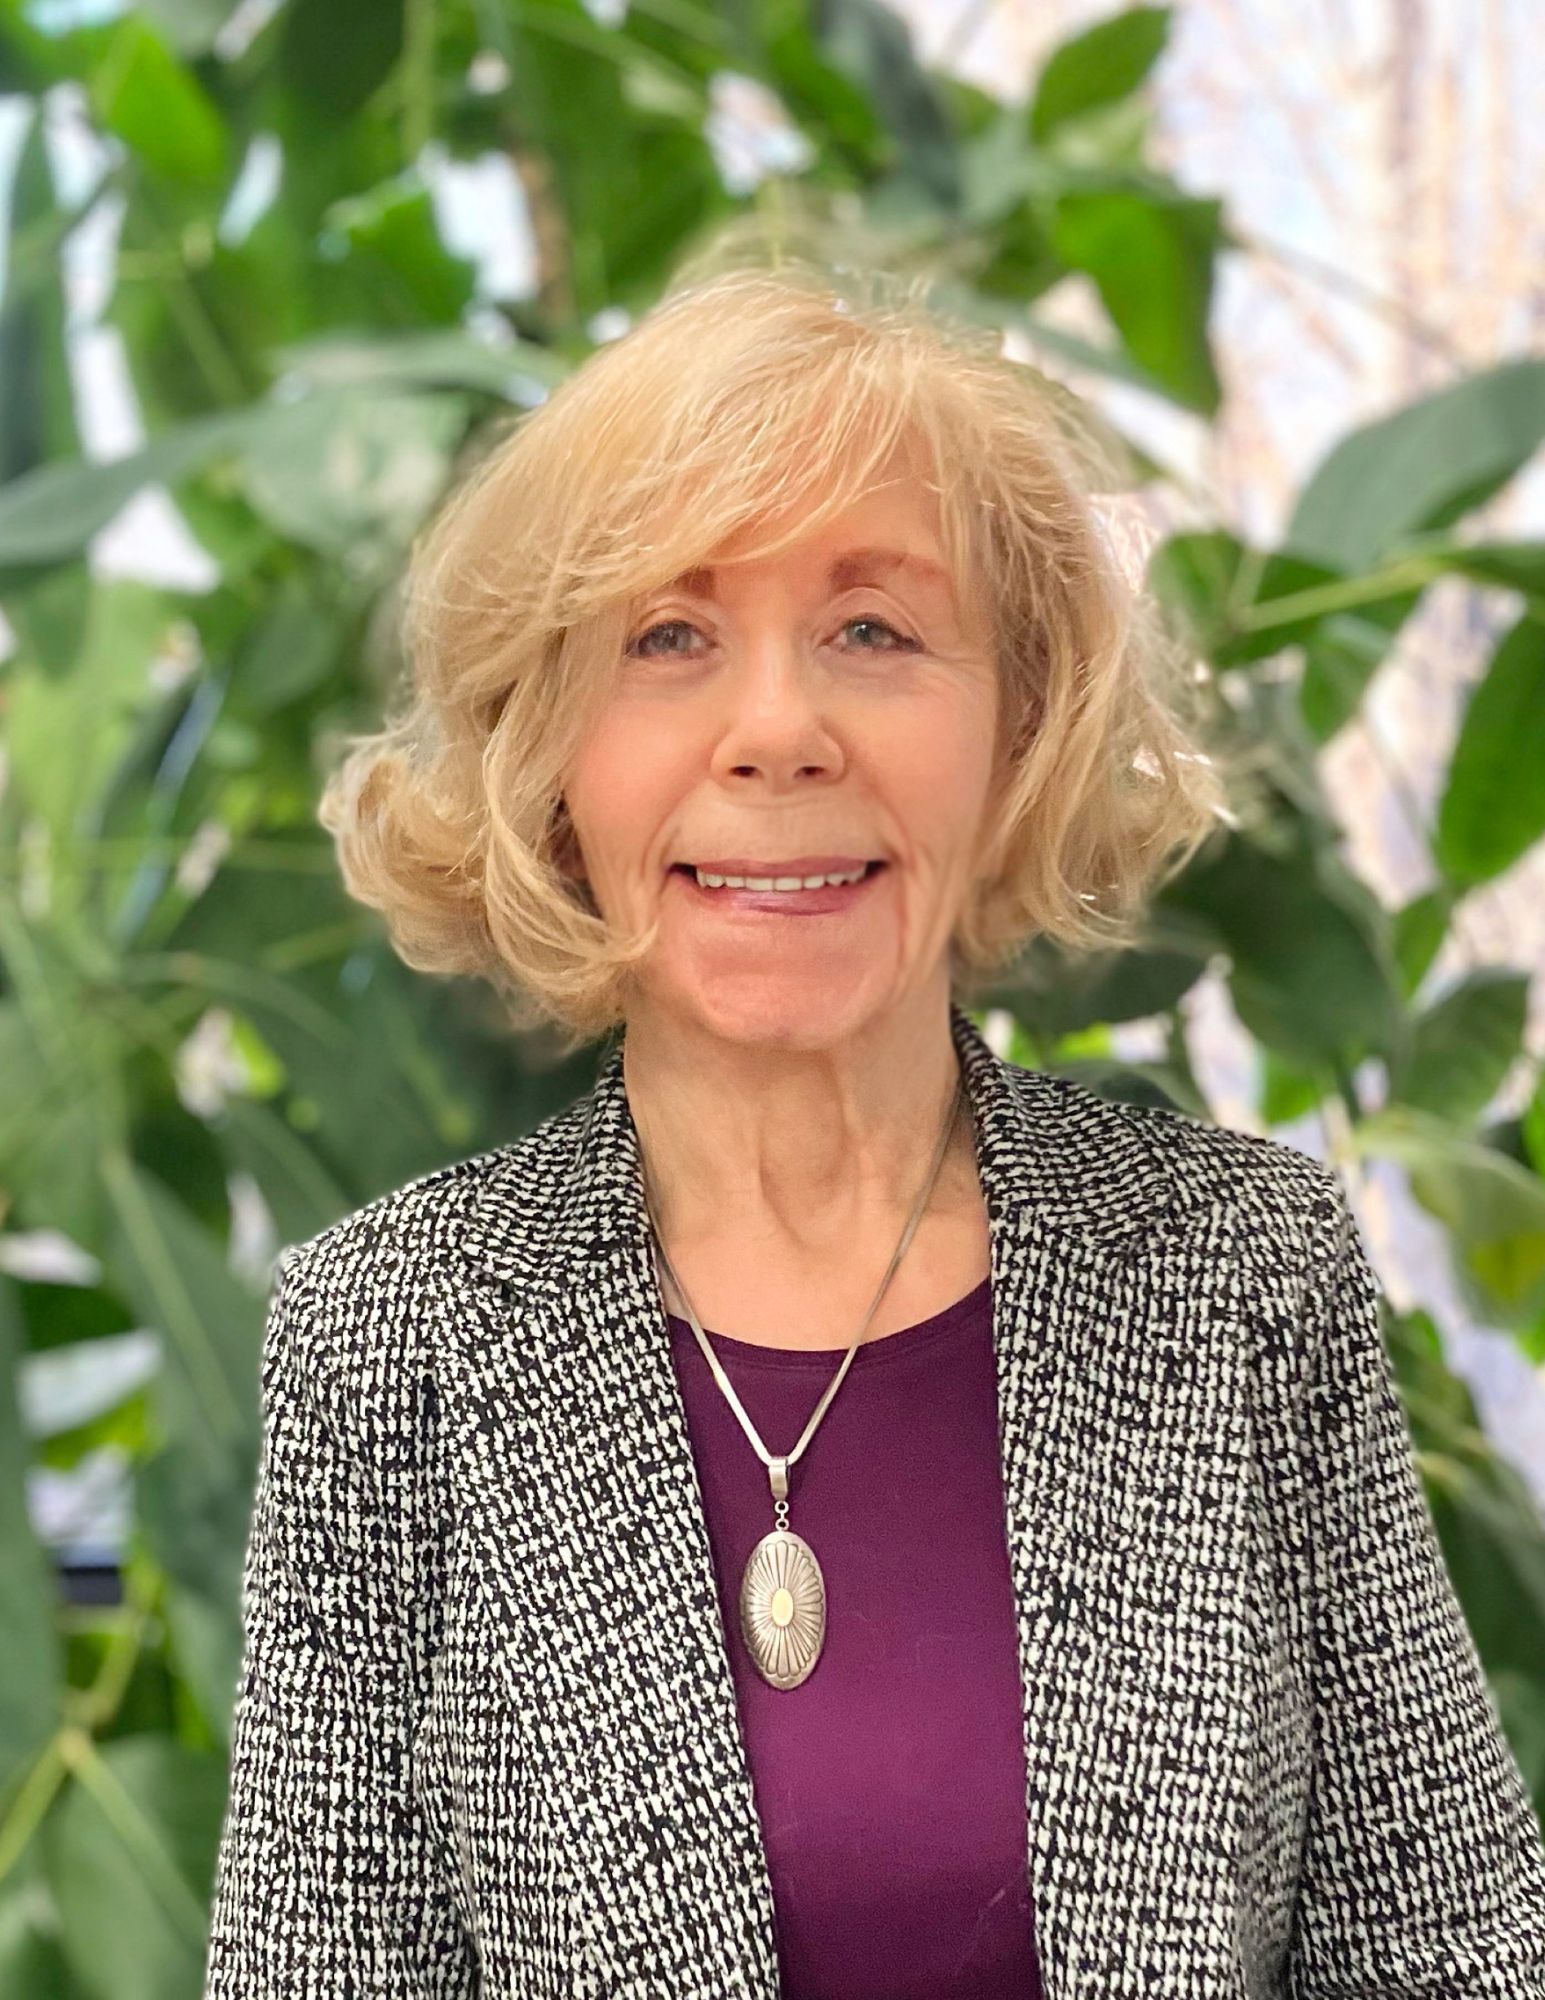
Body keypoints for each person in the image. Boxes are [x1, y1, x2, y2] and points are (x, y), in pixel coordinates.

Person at [202, 255, 1545, 1999]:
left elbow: (1451, 1957)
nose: (776, 731)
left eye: (874, 630)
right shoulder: (392, 1338)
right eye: (667, 637)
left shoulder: (1242, 1274)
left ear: (1018, 735)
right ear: (550, 759)